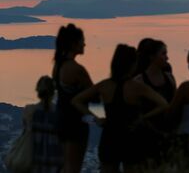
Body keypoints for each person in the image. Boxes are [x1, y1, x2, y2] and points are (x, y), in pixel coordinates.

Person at [72, 44, 168, 172]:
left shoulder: (104, 85)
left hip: (109, 136)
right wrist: (143, 118)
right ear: (132, 64)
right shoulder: (137, 86)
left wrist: (96, 119)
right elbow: (163, 104)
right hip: (131, 138)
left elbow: (77, 100)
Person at [52, 23, 94, 173]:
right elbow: (94, 95)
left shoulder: (57, 66)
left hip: (61, 119)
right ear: (74, 44)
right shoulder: (77, 69)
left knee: (64, 165)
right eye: (82, 40)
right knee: (74, 167)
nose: (84, 44)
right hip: (75, 123)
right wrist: (103, 118)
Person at [134, 38, 177, 164]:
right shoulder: (139, 81)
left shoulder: (170, 79)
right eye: (163, 54)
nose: (167, 58)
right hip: (145, 137)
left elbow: (173, 106)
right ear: (152, 57)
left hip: (167, 135)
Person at [22, 76, 63, 173]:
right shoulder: (59, 113)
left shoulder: (29, 110)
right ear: (53, 92)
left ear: (37, 91)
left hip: (33, 159)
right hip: (55, 160)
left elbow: (26, 132)